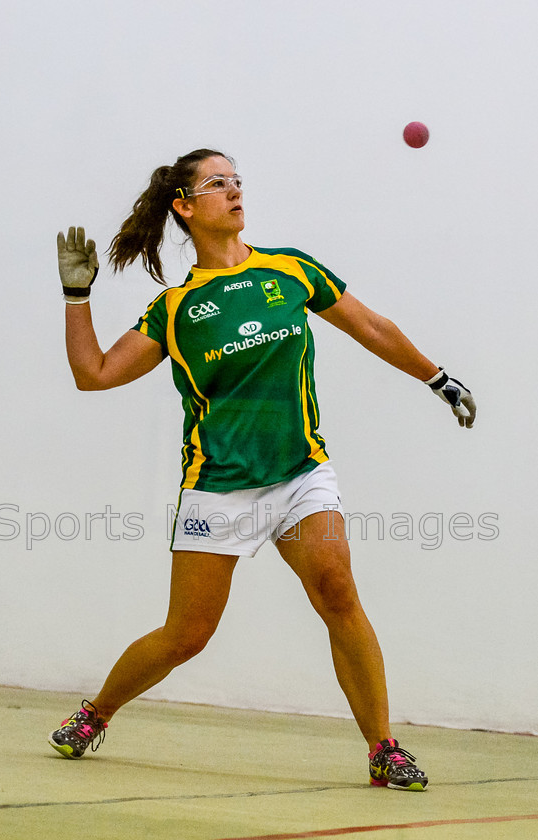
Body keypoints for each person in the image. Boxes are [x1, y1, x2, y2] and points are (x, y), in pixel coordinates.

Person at [49, 148, 476, 791]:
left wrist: (436, 377)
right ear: (185, 207)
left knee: (337, 591)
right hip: (218, 487)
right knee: (187, 635)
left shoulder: (290, 270)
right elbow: (95, 375)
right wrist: (76, 296)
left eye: (238, 181)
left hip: (301, 472)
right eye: (217, 184)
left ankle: (383, 748)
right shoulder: (175, 309)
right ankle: (96, 713)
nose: (235, 191)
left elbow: (368, 325)